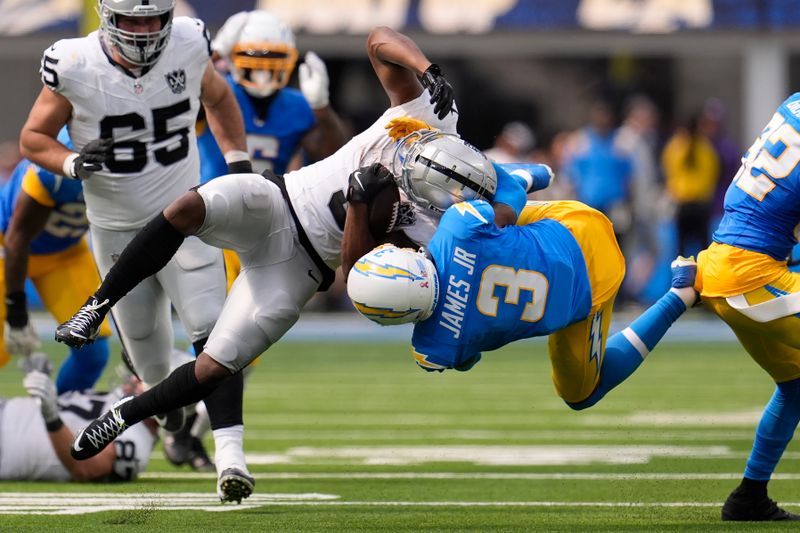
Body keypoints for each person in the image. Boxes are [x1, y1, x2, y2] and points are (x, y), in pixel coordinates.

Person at [53, 24, 478, 502]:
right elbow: (378, 37)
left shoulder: (433, 228)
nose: (413, 174)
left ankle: (125, 414)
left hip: (301, 269)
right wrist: (427, 69)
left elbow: (357, 278)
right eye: (417, 162)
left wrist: (360, 206)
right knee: (187, 208)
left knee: (216, 365)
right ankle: (97, 305)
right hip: (279, 200)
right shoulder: (427, 115)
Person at [18, 0, 251, 502]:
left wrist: (238, 164)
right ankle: (173, 417)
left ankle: (231, 458)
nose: (145, 32)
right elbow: (32, 138)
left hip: (186, 217)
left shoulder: (189, 42)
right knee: (149, 364)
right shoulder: (75, 64)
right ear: (107, 18)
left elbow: (220, 97)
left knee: (216, 337)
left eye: (153, 19)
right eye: (133, 20)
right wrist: (73, 162)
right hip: (118, 235)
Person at [346, 200, 697, 411]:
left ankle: (680, 295)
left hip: (592, 292)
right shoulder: (458, 227)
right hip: (579, 225)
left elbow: (468, 360)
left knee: (582, 396)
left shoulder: (434, 349)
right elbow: (509, 191)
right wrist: (535, 174)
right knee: (492, 207)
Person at [693, 93, 800, 522]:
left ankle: (749, 496)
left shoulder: (793, 104)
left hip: (731, 263)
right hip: (750, 274)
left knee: (795, 386)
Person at [199, 10, 349, 292]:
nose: (263, 69)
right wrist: (212, 53)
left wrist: (322, 108)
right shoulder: (218, 91)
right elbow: (181, 88)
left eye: (273, 60)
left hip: (263, 218)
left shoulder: (298, 105)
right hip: (211, 213)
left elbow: (335, 158)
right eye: (254, 60)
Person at [0, 128, 112, 391]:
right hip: (8, 249)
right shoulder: (52, 169)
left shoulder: (135, 164)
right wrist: (16, 311)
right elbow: (16, 239)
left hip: (66, 253)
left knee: (92, 352)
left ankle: (59, 423)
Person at [0, 353, 157, 482]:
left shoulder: (137, 439)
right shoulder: (120, 401)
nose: (136, 378)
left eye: (152, 378)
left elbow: (87, 469)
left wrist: (52, 418)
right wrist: (40, 386)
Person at [662, 111, 720, 258]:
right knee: (703, 250)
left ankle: (681, 279)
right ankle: (702, 280)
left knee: (680, 250)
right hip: (700, 203)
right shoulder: (705, 147)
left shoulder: (675, 146)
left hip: (683, 202)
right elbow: (712, 173)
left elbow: (668, 170)